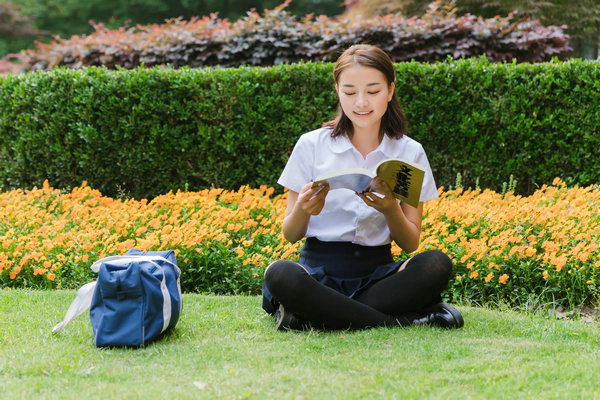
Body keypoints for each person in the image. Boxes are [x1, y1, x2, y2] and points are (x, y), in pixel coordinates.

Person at [262, 44, 464, 331]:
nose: (361, 103)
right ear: (337, 91)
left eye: (373, 91)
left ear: (390, 91)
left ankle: (313, 315)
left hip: (379, 276)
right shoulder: (311, 145)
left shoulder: (410, 152)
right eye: (349, 92)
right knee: (281, 274)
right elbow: (290, 234)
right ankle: (406, 321)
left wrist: (390, 209)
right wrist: (304, 211)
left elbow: (410, 243)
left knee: (436, 264)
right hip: (317, 273)